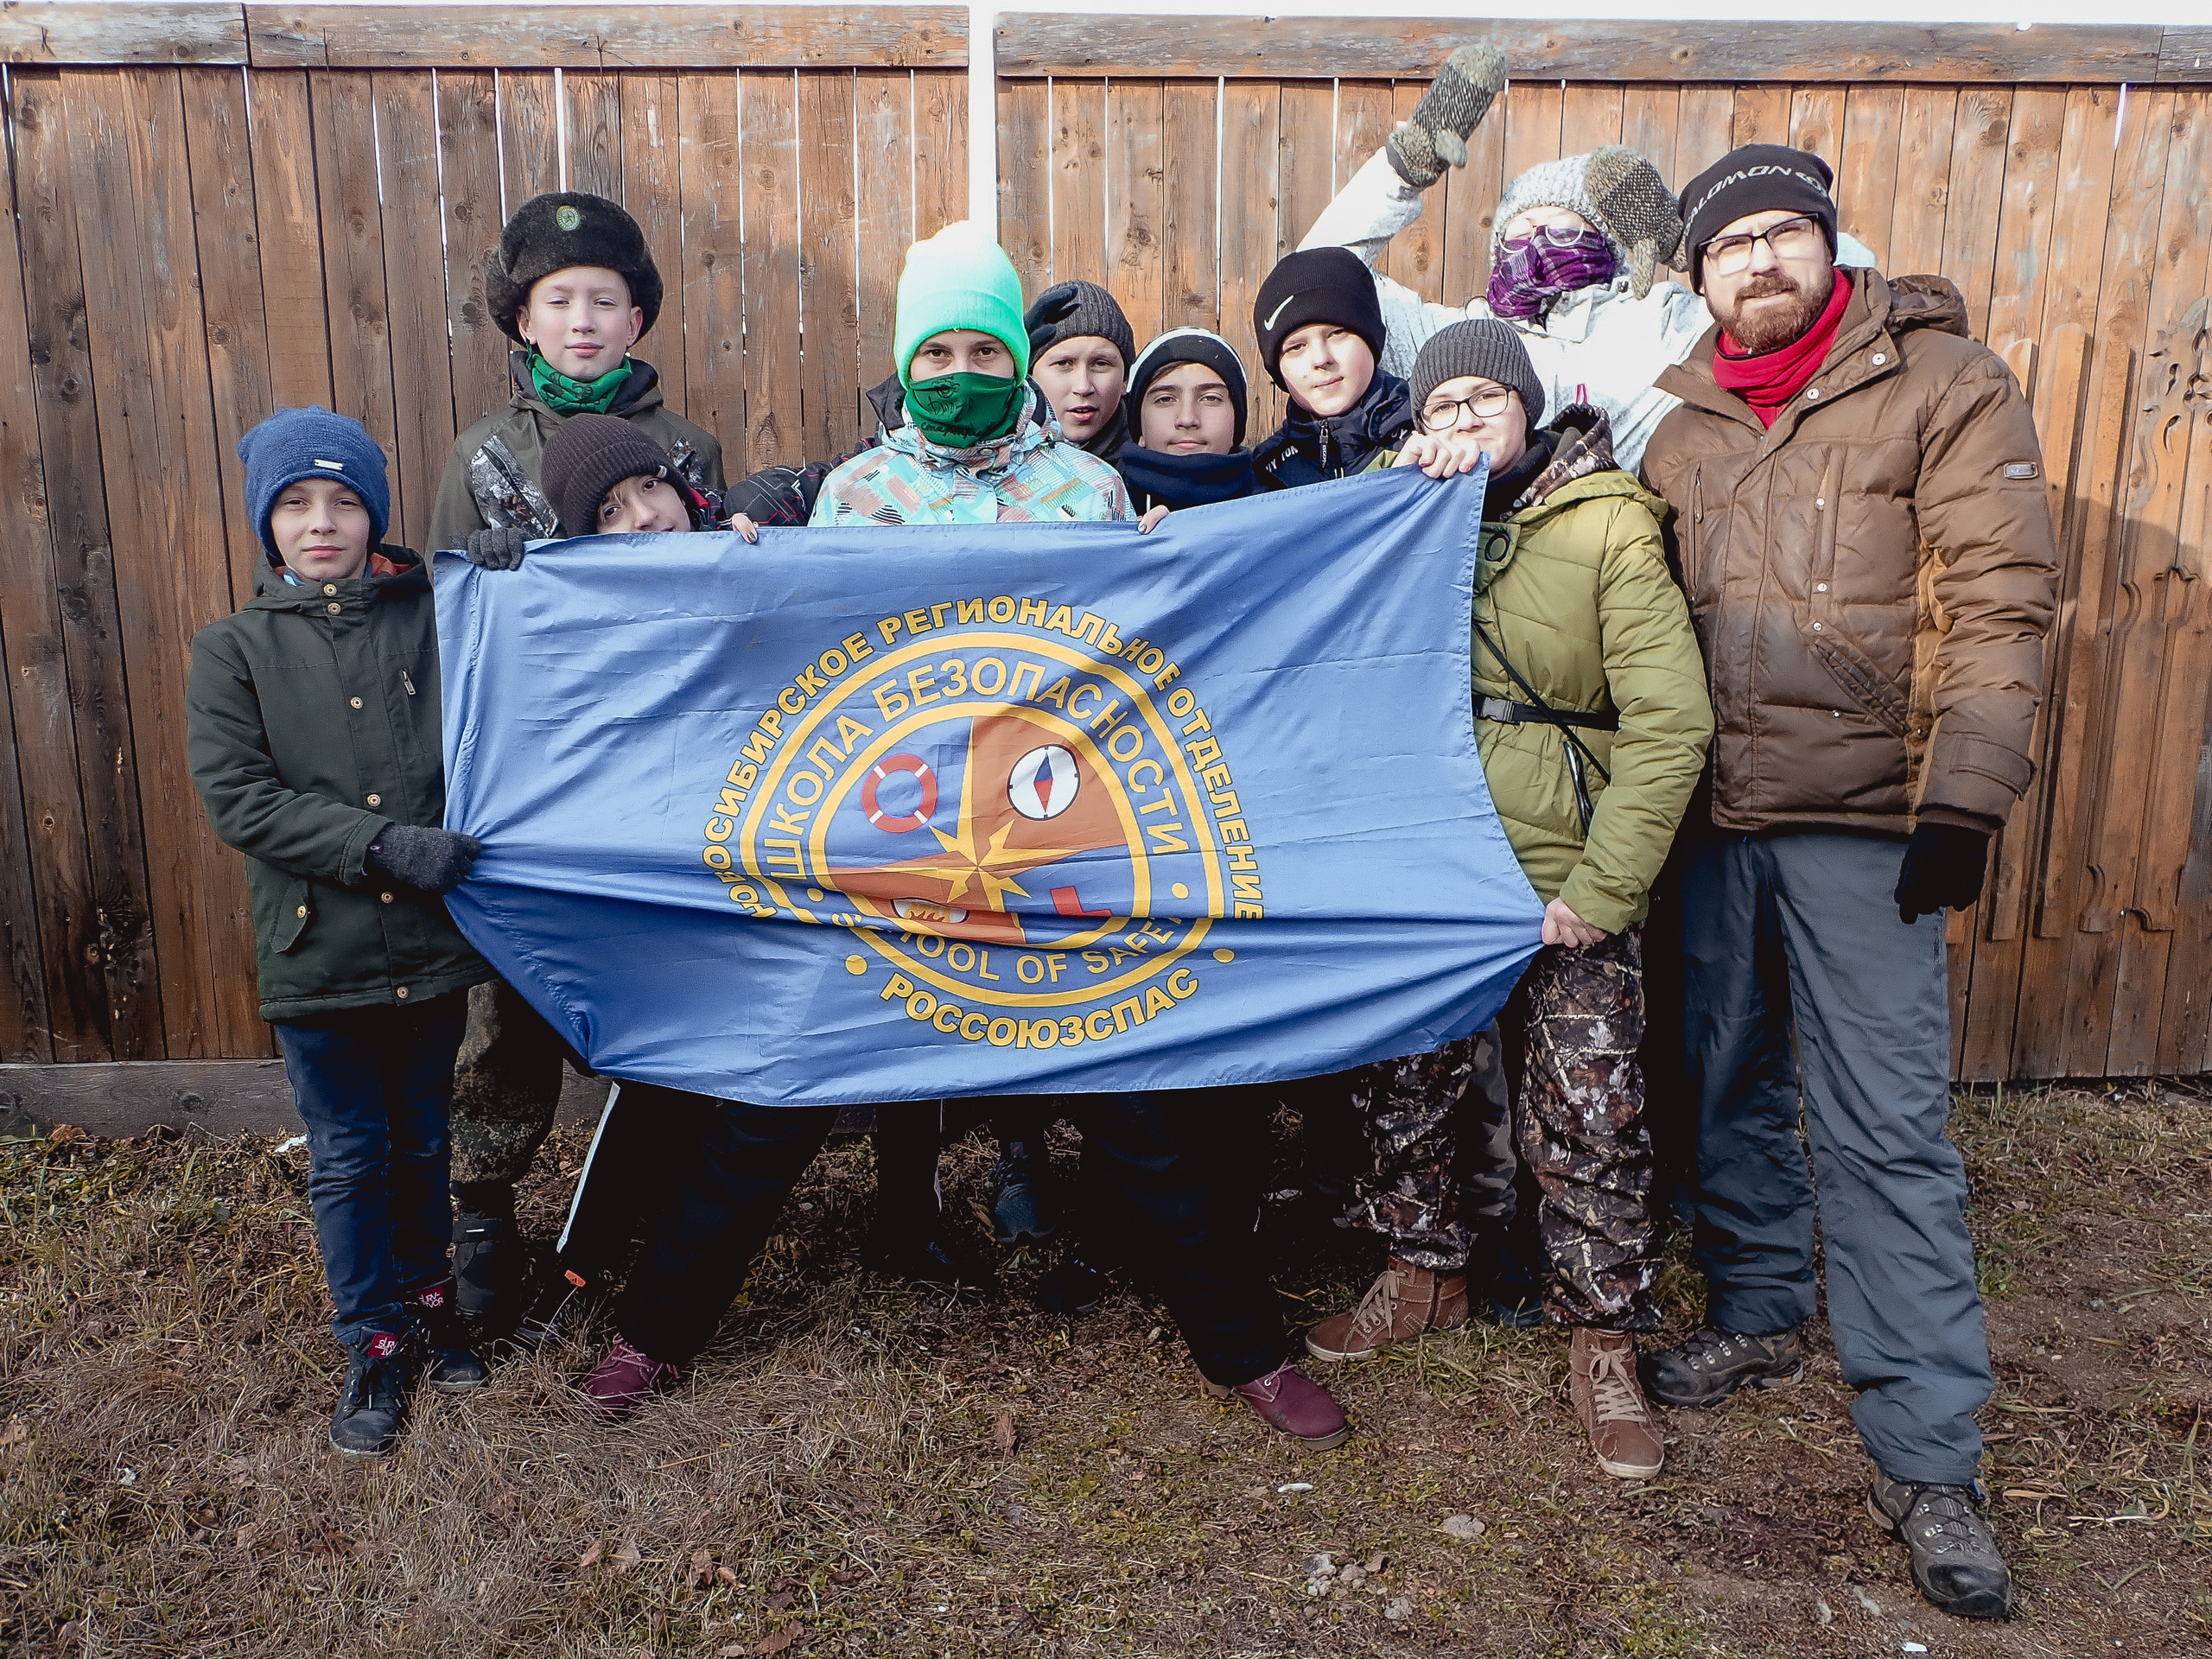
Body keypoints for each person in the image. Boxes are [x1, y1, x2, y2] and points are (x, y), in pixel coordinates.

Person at [1637, 143, 2058, 1619]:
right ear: (1696, 279)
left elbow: (2001, 600)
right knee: (1724, 1073)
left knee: (1885, 1129)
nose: (1758, 261)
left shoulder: (1943, 386)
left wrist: (1964, 795)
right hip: (1713, 820)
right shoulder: (1679, 430)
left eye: (1781, 236)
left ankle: (1929, 1448)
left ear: (1828, 249)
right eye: (1729, 245)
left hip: (1868, 822)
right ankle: (1759, 1307)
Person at [1304, 323, 1713, 1483]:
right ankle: (1424, 1277)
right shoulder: (1400, 520)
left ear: (1532, 412)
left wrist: (1604, 886)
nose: (1465, 421)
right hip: (1429, 870)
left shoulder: (1607, 526)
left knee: (1591, 1112)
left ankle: (1603, 1338)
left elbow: (1670, 722)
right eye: (1442, 406)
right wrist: (1394, 491)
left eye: (1488, 399)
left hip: (1561, 876)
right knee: (1409, 1088)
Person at [427, 192, 728, 1335]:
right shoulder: (482, 457)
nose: (585, 319)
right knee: (505, 1002)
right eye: (561, 300)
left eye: (607, 298)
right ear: (524, 321)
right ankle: (483, 1219)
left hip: (660, 772)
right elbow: (455, 634)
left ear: (639, 316)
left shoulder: (687, 447)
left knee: (668, 991)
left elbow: (719, 601)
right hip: (536, 774)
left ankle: (636, 1224)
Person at [188, 408, 493, 1457]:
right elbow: (240, 798)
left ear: (374, 515)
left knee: (422, 1136)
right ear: (266, 525)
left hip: (431, 948)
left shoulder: (436, 619)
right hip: (317, 953)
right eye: (296, 504)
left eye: (344, 501)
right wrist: (379, 846)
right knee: (351, 1152)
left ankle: (428, 1296)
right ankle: (369, 1335)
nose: (322, 523)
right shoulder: (233, 650)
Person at [1296, 48, 1878, 475]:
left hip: (1638, 555)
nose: (1539, 245)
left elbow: (1836, 281)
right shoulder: (1455, 337)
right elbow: (1314, 280)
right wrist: (1403, 169)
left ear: (1608, 246)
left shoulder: (1664, 321)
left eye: (1563, 230)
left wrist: (1689, 246)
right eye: (1520, 232)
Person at [1248, 246, 1416, 490]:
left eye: (1337, 334)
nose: (1321, 359)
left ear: (1371, 339)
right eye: (1296, 347)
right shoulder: (1264, 474)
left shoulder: (1431, 437)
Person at [1119, 327, 1258, 514]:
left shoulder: (1276, 504)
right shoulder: (1099, 504)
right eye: (1165, 399)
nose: (1187, 419)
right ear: (1139, 429)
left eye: (1211, 398)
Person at [1024, 279, 1137, 465]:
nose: (1083, 387)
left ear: (1125, 378)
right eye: (1063, 363)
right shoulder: (993, 456)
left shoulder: (1147, 468)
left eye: (1100, 364)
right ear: (1029, 376)